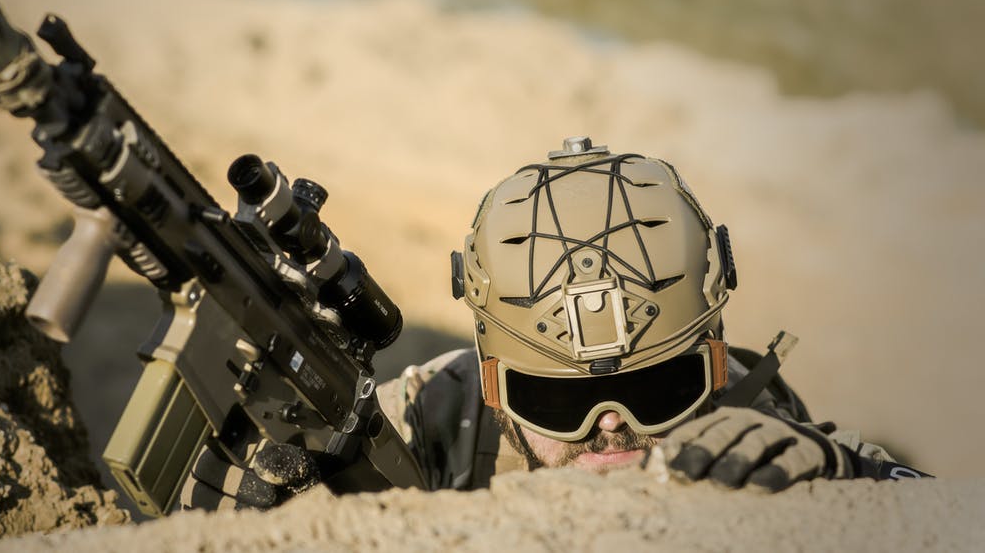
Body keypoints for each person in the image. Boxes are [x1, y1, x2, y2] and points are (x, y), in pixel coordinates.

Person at [181, 138, 927, 510]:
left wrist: (837, 474)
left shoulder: (747, 417)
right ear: (497, 384)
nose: (610, 428)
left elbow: (930, 504)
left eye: (660, 388)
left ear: (714, 363)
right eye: (560, 402)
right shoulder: (434, 415)